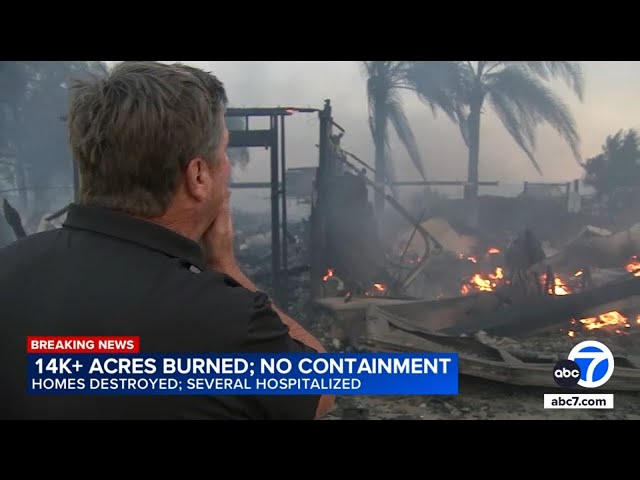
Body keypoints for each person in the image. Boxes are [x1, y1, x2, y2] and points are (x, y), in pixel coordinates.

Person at [0, 61, 335, 420]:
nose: (230, 168)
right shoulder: (229, 322)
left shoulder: (8, 270)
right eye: (224, 152)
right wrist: (227, 267)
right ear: (198, 176)